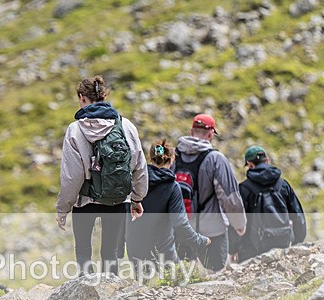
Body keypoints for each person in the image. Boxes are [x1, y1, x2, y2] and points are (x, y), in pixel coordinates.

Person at [56, 75, 148, 275]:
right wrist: (137, 198)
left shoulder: (75, 130)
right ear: (104, 96)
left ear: (81, 98)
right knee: (111, 252)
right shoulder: (126, 126)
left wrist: (63, 208)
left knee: (83, 251)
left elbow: (72, 177)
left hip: (85, 200)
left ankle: (85, 293)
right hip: (117, 198)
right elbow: (139, 164)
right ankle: (112, 296)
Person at [174, 114, 246, 271]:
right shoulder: (216, 159)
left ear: (191, 131)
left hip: (181, 228)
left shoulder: (174, 156)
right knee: (215, 272)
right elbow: (229, 196)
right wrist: (239, 224)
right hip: (212, 231)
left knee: (183, 275)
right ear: (211, 134)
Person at [126, 138, 211, 269]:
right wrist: (200, 240)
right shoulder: (172, 187)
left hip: (135, 251)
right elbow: (180, 224)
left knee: (143, 287)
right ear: (172, 160)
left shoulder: (136, 181)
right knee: (175, 284)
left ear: (150, 158)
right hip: (164, 254)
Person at [232, 146, 306, 261]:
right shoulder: (283, 185)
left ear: (249, 164)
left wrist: (233, 248)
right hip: (283, 246)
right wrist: (298, 240)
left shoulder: (244, 189)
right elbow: (297, 213)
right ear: (267, 161)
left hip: (252, 252)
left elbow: (238, 221)